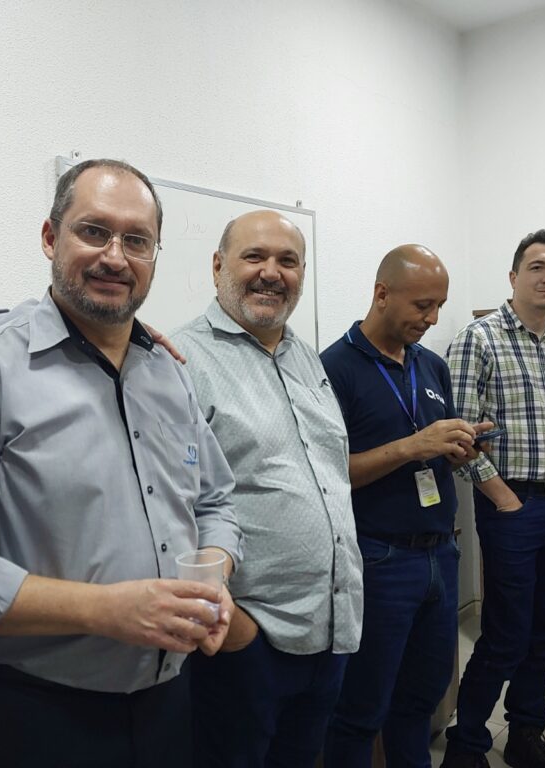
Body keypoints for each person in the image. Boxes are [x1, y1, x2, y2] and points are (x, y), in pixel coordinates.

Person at [0, 158, 242, 768]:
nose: (115, 258)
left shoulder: (169, 372)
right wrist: (108, 610)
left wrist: (215, 573)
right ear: (51, 237)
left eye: (137, 240)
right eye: (94, 231)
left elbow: (215, 502)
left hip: (169, 704)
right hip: (31, 714)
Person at [170, 210, 362, 767]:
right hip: (248, 641)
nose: (271, 273)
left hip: (330, 626)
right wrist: (237, 630)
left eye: (288, 260)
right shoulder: (179, 362)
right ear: (217, 266)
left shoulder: (305, 355)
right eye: (254, 256)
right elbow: (170, 511)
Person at [321, 245, 490, 768]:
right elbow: (328, 474)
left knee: (421, 698)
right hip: (379, 559)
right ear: (381, 294)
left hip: (440, 553)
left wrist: (459, 447)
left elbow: (435, 450)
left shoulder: (430, 365)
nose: (432, 318)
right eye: (422, 305)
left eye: (439, 306)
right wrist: (414, 446)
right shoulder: (333, 368)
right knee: (360, 709)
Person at [442, 229, 545, 768]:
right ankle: (467, 744)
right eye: (537, 267)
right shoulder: (479, 339)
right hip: (514, 507)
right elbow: (458, 436)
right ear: (513, 276)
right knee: (506, 634)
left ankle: (526, 733)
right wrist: (503, 498)